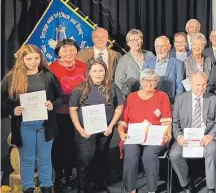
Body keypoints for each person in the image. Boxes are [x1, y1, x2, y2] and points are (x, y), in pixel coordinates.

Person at [1, 45, 63, 193]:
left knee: (45, 159)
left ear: (40, 58)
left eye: (36, 58)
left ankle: (46, 188)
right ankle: (27, 188)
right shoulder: (12, 78)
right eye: (29, 59)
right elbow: (2, 102)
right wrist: (12, 109)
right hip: (24, 125)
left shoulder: (48, 75)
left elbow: (60, 97)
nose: (33, 62)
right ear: (21, 59)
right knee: (27, 160)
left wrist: (52, 104)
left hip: (45, 125)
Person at [68, 60, 124, 193]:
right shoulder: (80, 88)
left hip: (105, 130)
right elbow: (73, 109)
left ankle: (99, 185)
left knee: (101, 157)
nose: (98, 74)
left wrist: (111, 125)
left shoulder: (112, 87)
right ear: (89, 73)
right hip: (85, 131)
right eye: (95, 71)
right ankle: (83, 188)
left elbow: (119, 106)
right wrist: (80, 129)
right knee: (86, 159)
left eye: (101, 71)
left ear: (105, 72)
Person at [118, 69, 173, 193]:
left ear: (156, 82)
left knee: (149, 156)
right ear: (140, 81)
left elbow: (166, 121)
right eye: (145, 80)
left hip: (154, 136)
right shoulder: (131, 98)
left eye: (152, 80)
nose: (148, 83)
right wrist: (121, 133)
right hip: (134, 136)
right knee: (131, 154)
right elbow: (122, 121)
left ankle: (151, 190)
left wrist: (168, 134)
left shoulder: (162, 96)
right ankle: (131, 189)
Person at [170, 72, 216, 193]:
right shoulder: (180, 99)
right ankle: (187, 184)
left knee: (212, 151)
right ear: (190, 84)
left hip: (206, 136)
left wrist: (211, 135)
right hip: (186, 137)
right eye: (198, 85)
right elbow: (175, 122)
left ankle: (211, 188)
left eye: (204, 85)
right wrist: (179, 137)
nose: (201, 88)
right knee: (174, 155)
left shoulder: (213, 99)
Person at [49, 39, 87, 191]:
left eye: (72, 49)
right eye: (64, 50)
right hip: (60, 113)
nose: (68, 53)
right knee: (60, 146)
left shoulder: (82, 66)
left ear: (77, 51)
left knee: (75, 146)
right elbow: (51, 92)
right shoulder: (52, 68)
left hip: (80, 113)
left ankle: (71, 175)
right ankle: (59, 177)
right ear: (58, 52)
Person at [143, 36, 184, 103]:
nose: (160, 49)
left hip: (170, 102)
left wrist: (178, 104)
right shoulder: (147, 63)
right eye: (157, 46)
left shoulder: (178, 63)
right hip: (151, 101)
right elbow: (142, 84)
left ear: (169, 47)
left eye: (162, 46)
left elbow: (179, 86)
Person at [115, 28, 155, 96]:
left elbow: (157, 74)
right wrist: (131, 96)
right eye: (132, 40)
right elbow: (119, 82)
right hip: (132, 97)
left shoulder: (150, 55)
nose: (136, 42)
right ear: (128, 43)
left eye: (138, 39)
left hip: (151, 94)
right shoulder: (123, 60)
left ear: (142, 41)